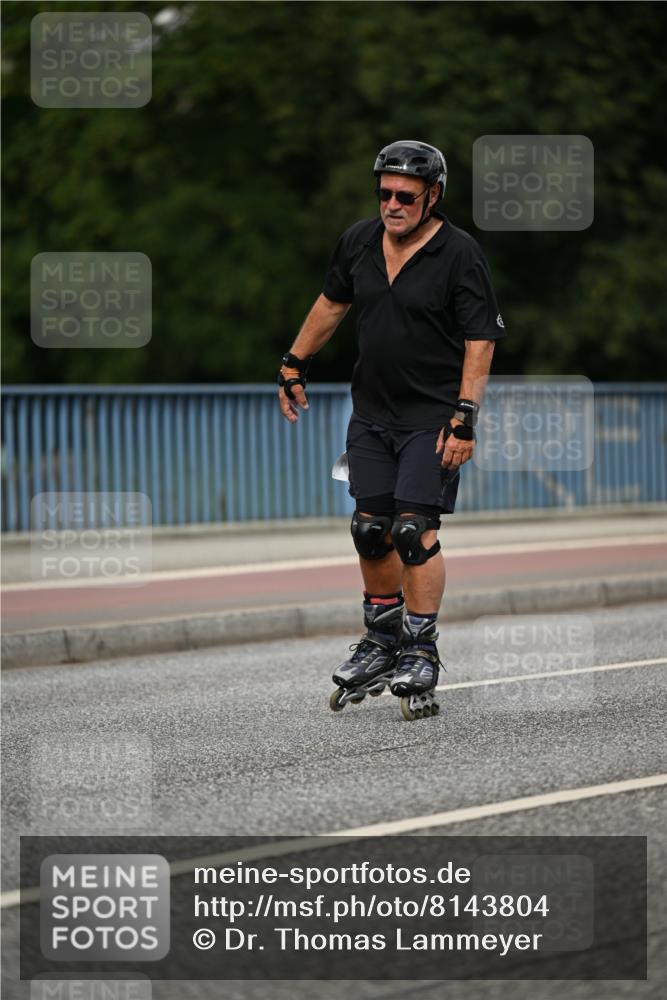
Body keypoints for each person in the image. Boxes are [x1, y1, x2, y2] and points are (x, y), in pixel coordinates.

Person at [277, 140, 505, 720]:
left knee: (412, 531)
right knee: (370, 528)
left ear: (434, 196)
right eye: (385, 193)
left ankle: (421, 650)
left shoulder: (460, 254)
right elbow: (331, 303)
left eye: (406, 195)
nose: (393, 204)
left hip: (432, 419)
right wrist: (294, 362)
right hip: (371, 414)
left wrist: (466, 417)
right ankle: (382, 641)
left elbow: (481, 339)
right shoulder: (358, 241)